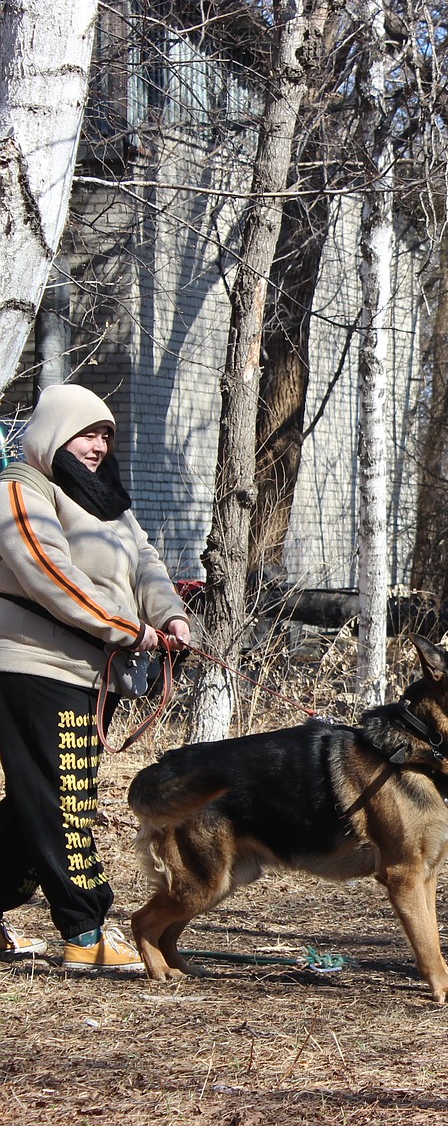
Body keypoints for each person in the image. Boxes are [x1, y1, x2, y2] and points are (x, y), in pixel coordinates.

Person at [0, 384, 191, 974]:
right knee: (64, 801)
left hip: (91, 671)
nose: (98, 445)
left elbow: (147, 560)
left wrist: (170, 616)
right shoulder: (19, 488)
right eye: (87, 432)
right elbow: (49, 576)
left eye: (106, 434)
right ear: (55, 431)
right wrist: (130, 629)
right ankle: (84, 930)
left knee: (33, 802)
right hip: (32, 666)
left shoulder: (104, 499)